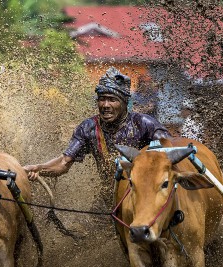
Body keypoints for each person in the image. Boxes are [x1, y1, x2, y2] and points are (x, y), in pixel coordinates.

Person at [23, 67, 171, 202]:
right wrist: (39, 168)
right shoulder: (88, 128)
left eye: (112, 100)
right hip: (108, 199)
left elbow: (171, 148)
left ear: (125, 103)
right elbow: (63, 162)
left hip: (141, 196)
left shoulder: (144, 123)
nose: (106, 105)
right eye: (102, 99)